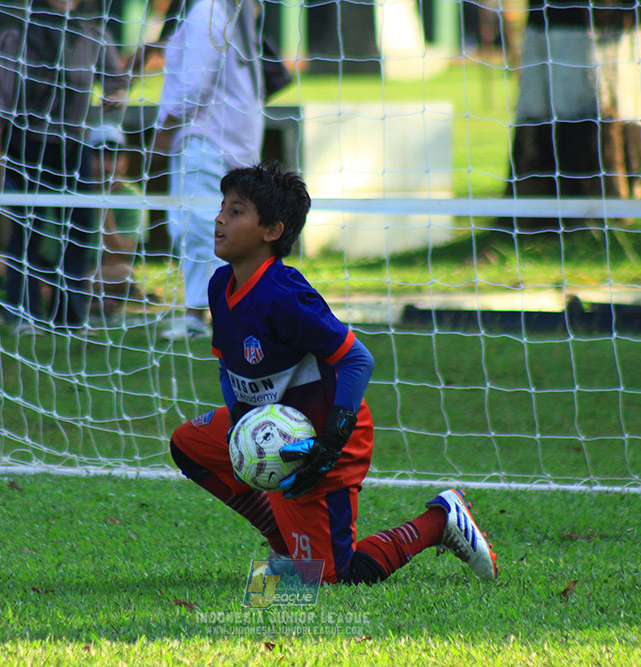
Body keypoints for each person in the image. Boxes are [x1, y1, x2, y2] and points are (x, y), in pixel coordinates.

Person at [169, 163, 498, 585]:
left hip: (324, 438)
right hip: (272, 430)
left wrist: (331, 439)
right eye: (222, 207)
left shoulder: (286, 297)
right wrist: (238, 421)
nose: (219, 219)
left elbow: (357, 360)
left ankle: (440, 520)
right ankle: (284, 542)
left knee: (331, 577)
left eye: (236, 211)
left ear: (271, 231)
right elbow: (225, 362)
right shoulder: (220, 285)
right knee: (189, 445)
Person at [0, 0, 129, 333]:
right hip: (26, 143)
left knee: (78, 232)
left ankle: (71, 315)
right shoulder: (17, 36)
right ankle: (23, 315)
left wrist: (117, 95)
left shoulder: (93, 35)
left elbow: (117, 82)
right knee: (28, 231)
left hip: (73, 145)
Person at [151, 0, 264, 340]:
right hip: (233, 140)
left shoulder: (208, 10)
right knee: (221, 230)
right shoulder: (233, 9)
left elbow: (191, 89)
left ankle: (201, 317)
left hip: (206, 138)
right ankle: (221, 313)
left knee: (201, 230)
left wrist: (164, 131)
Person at [85, 124, 148, 311]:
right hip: (65, 272)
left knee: (123, 275)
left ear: (125, 162)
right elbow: (46, 254)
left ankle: (75, 298)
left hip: (101, 275)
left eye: (113, 156)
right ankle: (86, 302)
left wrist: (104, 206)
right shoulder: (70, 190)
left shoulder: (133, 196)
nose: (106, 166)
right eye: (98, 156)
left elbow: (122, 255)